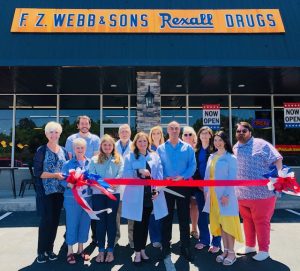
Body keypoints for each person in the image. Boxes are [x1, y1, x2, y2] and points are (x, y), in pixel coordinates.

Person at [233, 122, 283, 261]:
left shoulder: (262, 144)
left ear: (250, 131)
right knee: (247, 221)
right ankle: (249, 246)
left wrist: (278, 178)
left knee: (261, 222)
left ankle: (264, 250)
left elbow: (278, 159)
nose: (240, 133)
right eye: (238, 131)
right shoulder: (236, 147)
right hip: (242, 194)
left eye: (244, 130)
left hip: (262, 194)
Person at [122, 132, 168, 265]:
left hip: (150, 197)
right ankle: (137, 253)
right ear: (135, 143)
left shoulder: (154, 156)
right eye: (139, 141)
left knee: (145, 224)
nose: (142, 144)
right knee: (138, 225)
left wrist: (157, 190)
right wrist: (138, 172)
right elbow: (125, 175)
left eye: (144, 141)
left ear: (148, 142)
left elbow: (159, 175)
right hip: (136, 197)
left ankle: (142, 250)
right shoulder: (130, 156)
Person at [157, 121, 196, 263]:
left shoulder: (187, 148)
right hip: (166, 187)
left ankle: (185, 247)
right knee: (166, 219)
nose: (174, 130)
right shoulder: (161, 148)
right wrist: (163, 178)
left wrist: (183, 177)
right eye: (171, 128)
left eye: (176, 128)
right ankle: (165, 247)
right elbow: (158, 166)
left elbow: (192, 166)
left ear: (179, 131)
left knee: (184, 218)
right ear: (167, 130)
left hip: (183, 186)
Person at [203, 131, 243, 266]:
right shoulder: (212, 156)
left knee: (228, 225)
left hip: (227, 196)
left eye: (220, 140)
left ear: (225, 141)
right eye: (215, 140)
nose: (217, 143)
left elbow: (232, 178)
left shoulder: (231, 158)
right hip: (213, 196)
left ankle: (232, 253)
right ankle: (225, 250)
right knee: (221, 224)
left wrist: (226, 195)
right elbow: (207, 176)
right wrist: (206, 191)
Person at [33, 121, 69, 263]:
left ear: (60, 134)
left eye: (56, 132)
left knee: (54, 222)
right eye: (51, 132)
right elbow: (38, 172)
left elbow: (67, 170)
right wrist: (55, 175)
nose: (54, 134)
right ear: (46, 134)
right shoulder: (41, 150)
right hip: (46, 192)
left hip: (59, 192)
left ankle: (50, 250)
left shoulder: (64, 151)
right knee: (46, 221)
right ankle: (41, 251)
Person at [65, 115, 100, 243]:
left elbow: (96, 160)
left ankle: (94, 238)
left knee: (90, 213)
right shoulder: (71, 139)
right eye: (82, 123)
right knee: (73, 216)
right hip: (75, 181)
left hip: (90, 180)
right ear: (78, 125)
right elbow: (70, 159)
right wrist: (76, 177)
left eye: (87, 123)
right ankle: (69, 241)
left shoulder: (96, 139)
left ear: (90, 125)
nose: (84, 125)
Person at [89, 134, 124, 263]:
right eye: (105, 145)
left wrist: (116, 182)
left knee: (111, 222)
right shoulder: (93, 159)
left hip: (113, 194)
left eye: (110, 145)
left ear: (113, 146)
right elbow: (91, 176)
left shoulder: (118, 159)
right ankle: (101, 250)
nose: (107, 147)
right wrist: (103, 186)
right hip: (98, 195)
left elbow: (121, 172)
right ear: (101, 146)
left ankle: (110, 250)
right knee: (100, 223)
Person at [61, 138, 91, 264]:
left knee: (84, 224)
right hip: (72, 199)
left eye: (82, 148)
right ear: (73, 149)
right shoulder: (67, 164)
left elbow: (95, 178)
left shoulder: (91, 163)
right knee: (72, 224)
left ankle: (80, 249)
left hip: (88, 199)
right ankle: (69, 251)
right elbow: (61, 180)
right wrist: (70, 184)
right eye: (77, 148)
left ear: (85, 149)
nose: (79, 150)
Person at [194, 126, 221, 253]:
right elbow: (194, 169)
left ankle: (216, 242)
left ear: (211, 136)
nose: (204, 135)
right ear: (199, 136)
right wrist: (199, 184)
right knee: (202, 214)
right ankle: (204, 240)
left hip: (214, 187)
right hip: (199, 188)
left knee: (215, 215)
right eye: (202, 133)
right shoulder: (195, 150)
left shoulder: (215, 150)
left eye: (207, 133)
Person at [115, 124, 134, 247]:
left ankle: (132, 239)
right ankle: (116, 237)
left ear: (130, 133)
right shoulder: (113, 146)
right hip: (116, 186)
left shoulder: (134, 146)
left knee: (131, 215)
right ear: (118, 133)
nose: (124, 133)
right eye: (122, 131)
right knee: (115, 215)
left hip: (130, 187)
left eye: (126, 131)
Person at [148, 125, 165, 248]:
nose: (156, 135)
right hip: (152, 185)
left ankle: (164, 236)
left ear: (161, 135)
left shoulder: (165, 148)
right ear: (151, 135)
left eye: (158, 133)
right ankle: (155, 238)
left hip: (165, 184)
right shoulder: (148, 149)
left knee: (163, 210)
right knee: (153, 212)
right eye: (154, 133)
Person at [182, 126, 199, 240]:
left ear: (194, 136)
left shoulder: (198, 150)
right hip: (182, 182)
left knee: (194, 205)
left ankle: (194, 229)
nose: (188, 136)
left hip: (196, 183)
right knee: (183, 206)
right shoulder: (180, 150)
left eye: (190, 134)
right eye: (185, 134)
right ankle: (185, 230)